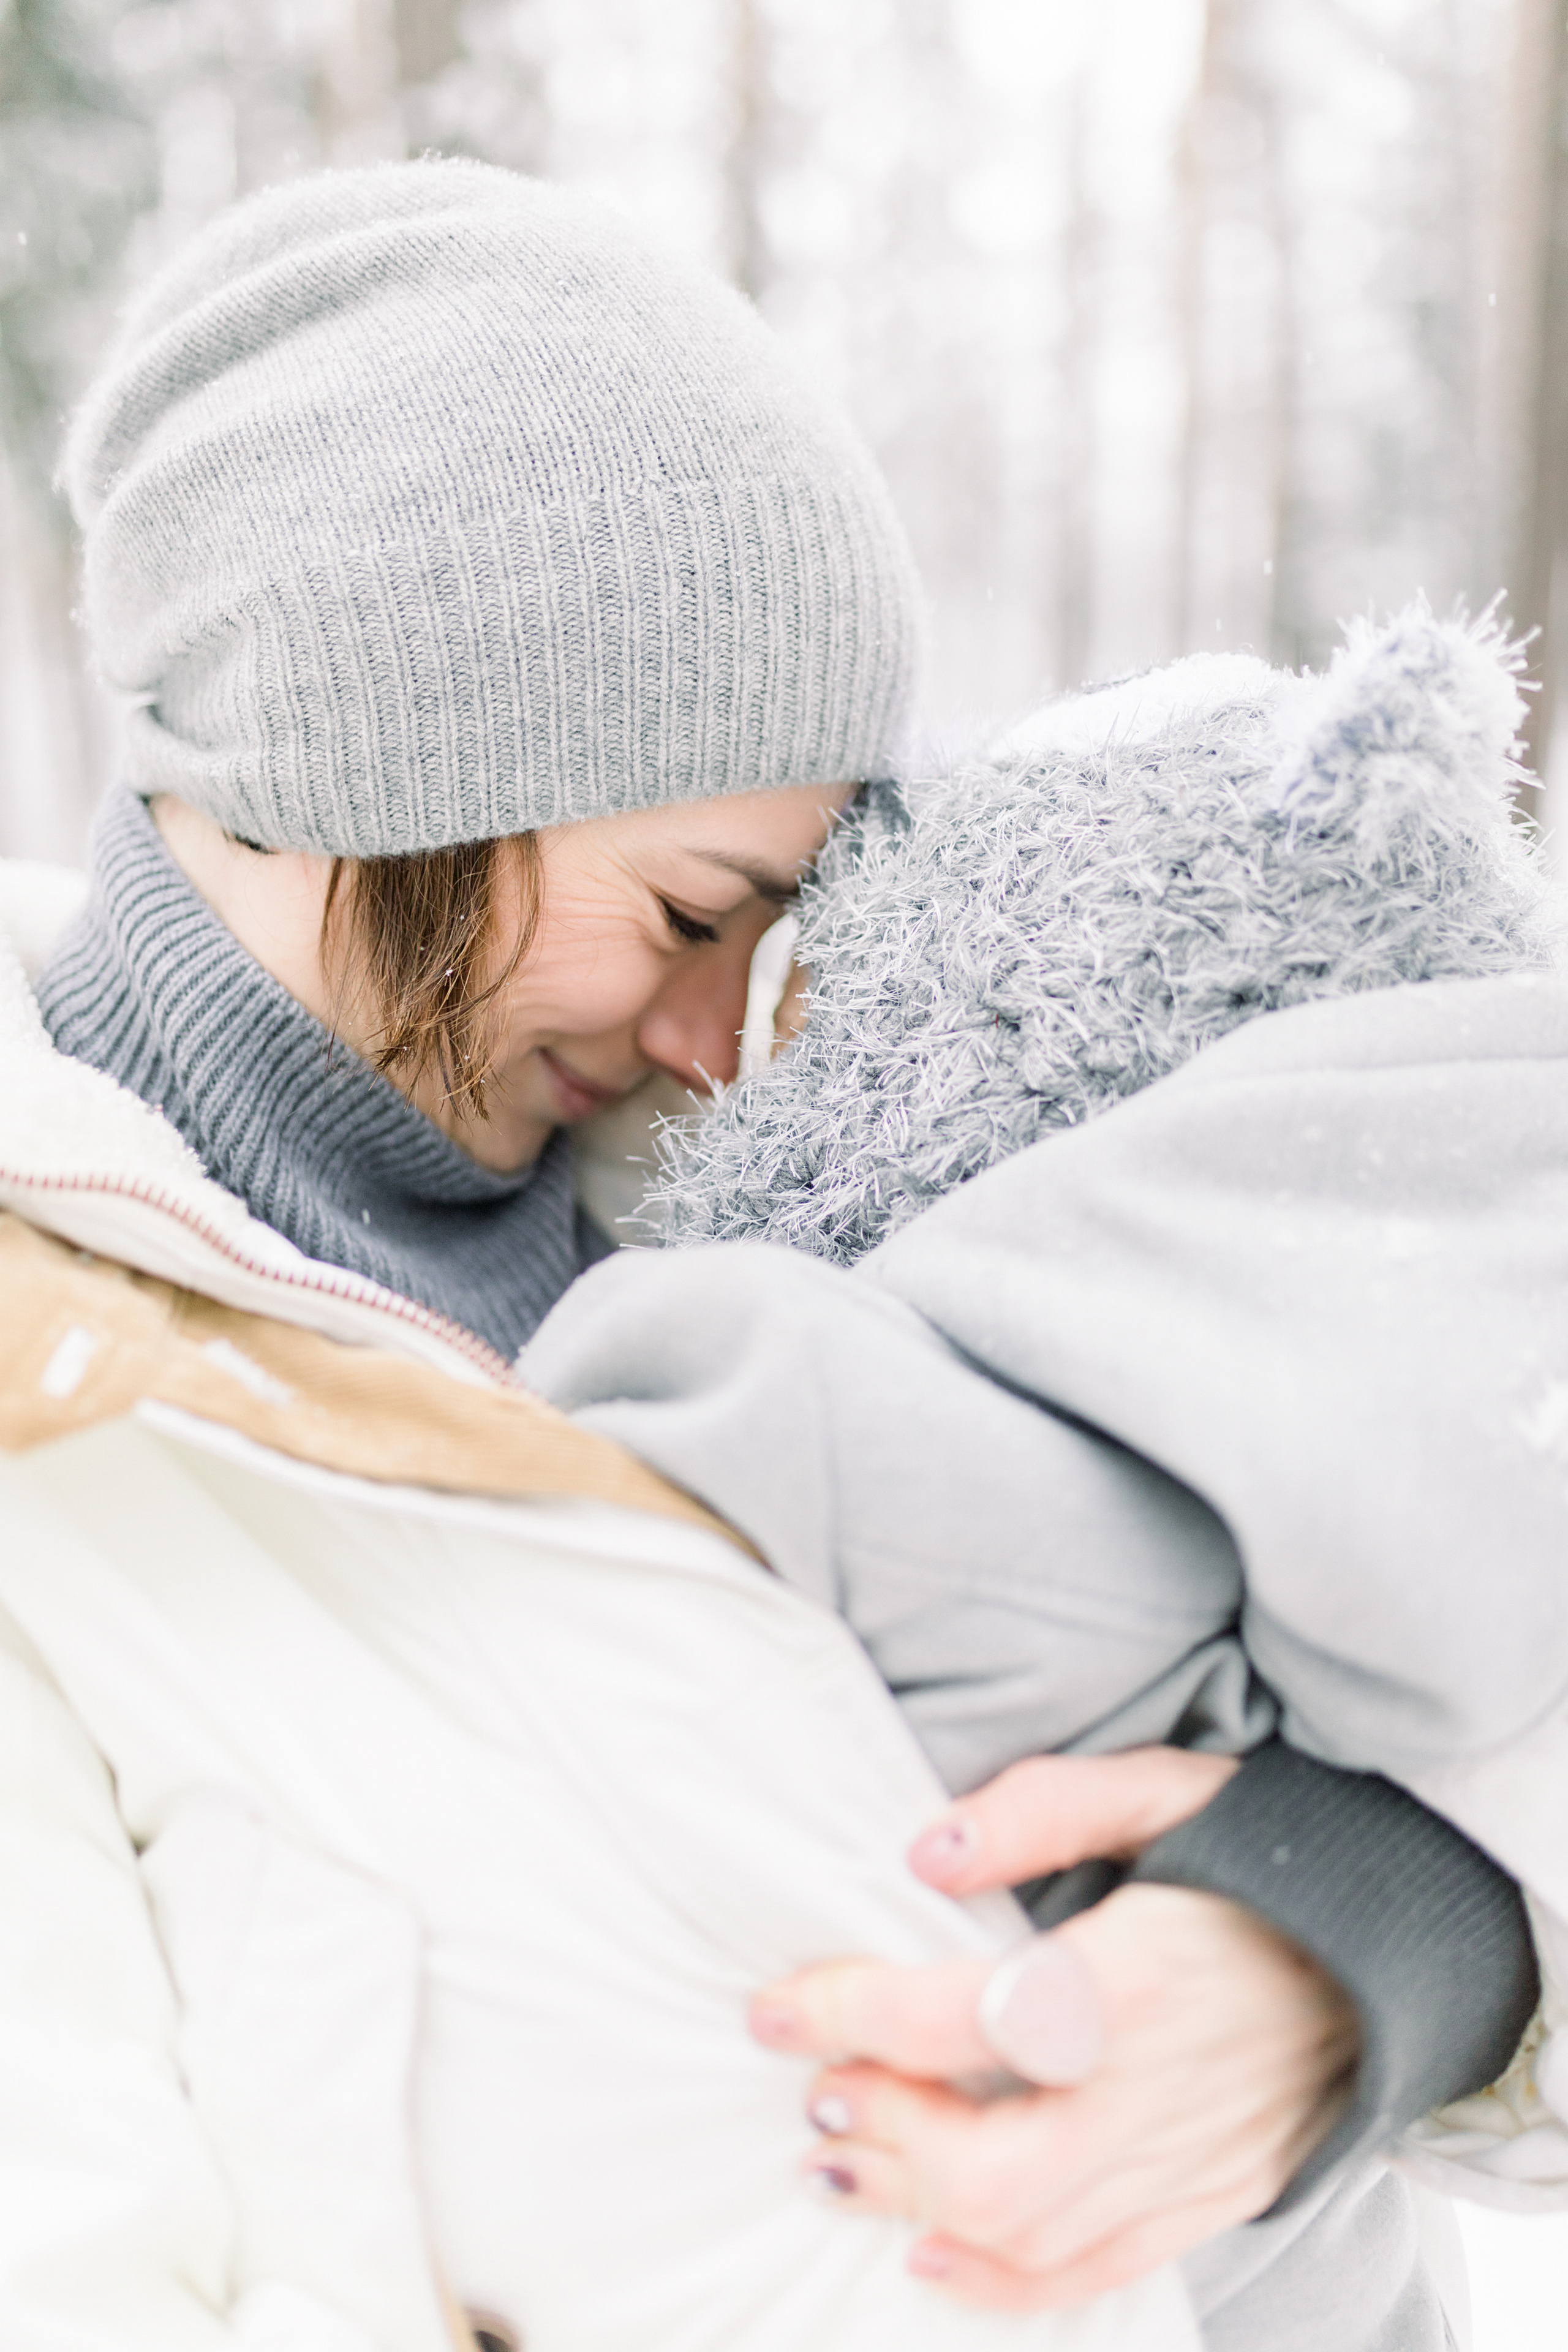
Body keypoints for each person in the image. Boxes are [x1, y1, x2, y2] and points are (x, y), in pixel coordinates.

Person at [20, 158, 1549, 2346]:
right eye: (689, 909)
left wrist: (1366, 1935)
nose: (714, 1035)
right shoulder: (47, 1414)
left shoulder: (816, 1219)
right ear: (385, 757)